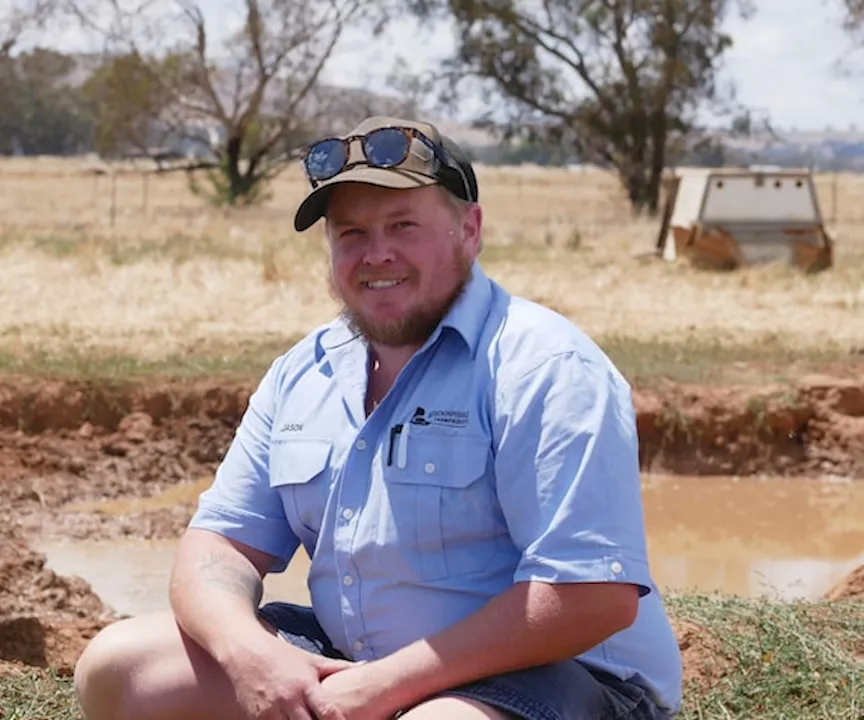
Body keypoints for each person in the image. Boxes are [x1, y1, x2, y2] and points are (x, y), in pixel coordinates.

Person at [72, 115, 685, 720]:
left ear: (469, 231)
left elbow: (592, 599)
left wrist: (384, 688)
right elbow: (220, 545)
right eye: (351, 233)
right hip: (359, 661)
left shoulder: (545, 365)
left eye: (403, 225)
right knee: (121, 667)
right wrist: (251, 654)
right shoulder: (303, 372)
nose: (377, 253)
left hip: (568, 677)